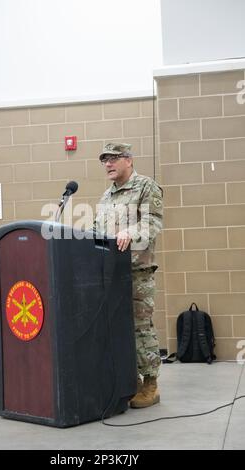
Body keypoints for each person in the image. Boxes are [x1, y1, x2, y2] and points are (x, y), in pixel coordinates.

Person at [94, 142, 163, 408]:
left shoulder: (146, 187)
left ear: (128, 160)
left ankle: (151, 384)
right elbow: (96, 230)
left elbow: (152, 222)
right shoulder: (106, 197)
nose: (108, 164)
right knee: (117, 329)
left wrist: (129, 233)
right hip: (111, 274)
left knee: (140, 328)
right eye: (104, 160)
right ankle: (129, 379)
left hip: (137, 273)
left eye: (113, 159)